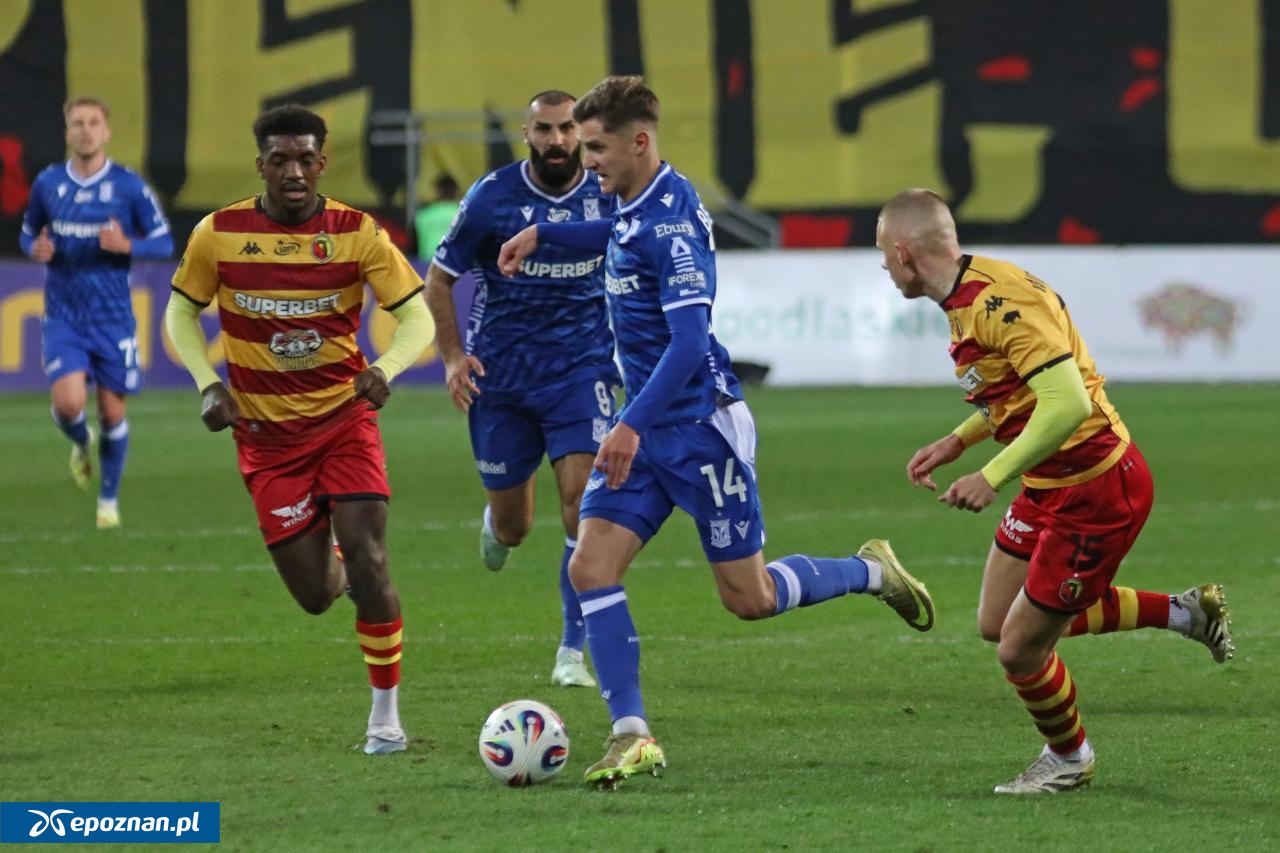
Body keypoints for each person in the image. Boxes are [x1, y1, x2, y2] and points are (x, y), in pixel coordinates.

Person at [498, 76, 936, 789]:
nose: (586, 161)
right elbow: (618, 234)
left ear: (639, 142)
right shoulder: (636, 204)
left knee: (749, 598)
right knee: (591, 566)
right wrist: (546, 233)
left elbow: (689, 342)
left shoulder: (671, 227)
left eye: (597, 148)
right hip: (646, 428)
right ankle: (631, 733)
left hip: (701, 430)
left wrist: (629, 425)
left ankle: (870, 571)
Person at [875, 188, 1234, 795]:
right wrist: (959, 441)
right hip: (1049, 482)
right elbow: (1018, 394)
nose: (884, 266)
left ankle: (1069, 757)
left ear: (905, 252)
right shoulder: (968, 293)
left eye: (884, 253)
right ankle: (1186, 612)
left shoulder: (998, 303)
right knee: (999, 621)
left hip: (1096, 488)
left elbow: (1067, 402)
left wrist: (990, 475)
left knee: (1019, 650)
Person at [164, 104, 433, 755]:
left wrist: (386, 368)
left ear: (322, 163)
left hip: (344, 423)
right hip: (267, 442)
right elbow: (179, 313)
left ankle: (385, 718)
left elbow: (418, 317)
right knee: (316, 596)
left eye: (305, 159)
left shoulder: (357, 232)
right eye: (280, 160)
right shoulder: (218, 234)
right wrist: (206, 382)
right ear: (260, 164)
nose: (293, 171)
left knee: (371, 557)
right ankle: (338, 563)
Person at [425, 89, 617, 689]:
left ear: (581, 134)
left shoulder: (606, 191)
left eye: (566, 129)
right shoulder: (493, 196)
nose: (556, 141)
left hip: (581, 373)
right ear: (526, 134)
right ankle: (497, 524)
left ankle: (571, 651)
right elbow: (438, 280)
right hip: (502, 378)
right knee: (515, 527)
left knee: (583, 503)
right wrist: (452, 358)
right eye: (544, 130)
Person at [19, 96, 173, 529]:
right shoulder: (48, 183)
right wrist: (35, 248)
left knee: (112, 414)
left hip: (113, 319)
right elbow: (28, 233)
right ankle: (79, 438)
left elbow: (164, 242)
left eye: (93, 123)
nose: (85, 130)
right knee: (69, 405)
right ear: (67, 132)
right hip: (64, 316)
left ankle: (108, 501)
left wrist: (128, 246)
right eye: (77, 123)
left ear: (106, 132)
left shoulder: (128, 186)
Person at [414, 173, 460, 261]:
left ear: (437, 192)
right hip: (454, 264)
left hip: (426, 264)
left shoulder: (423, 215)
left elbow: (414, 246)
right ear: (456, 192)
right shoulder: (464, 214)